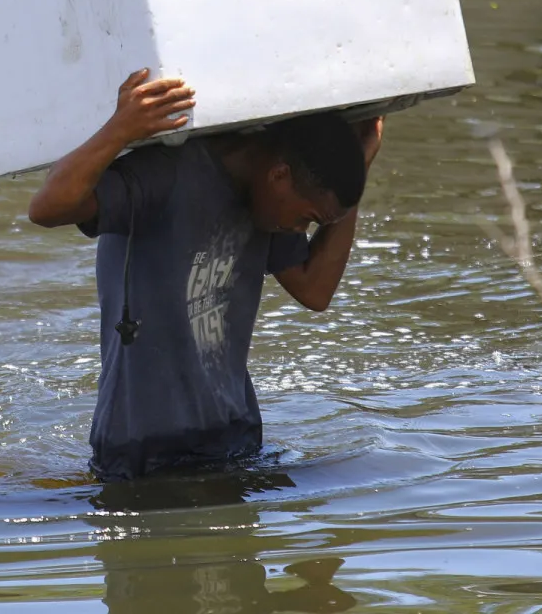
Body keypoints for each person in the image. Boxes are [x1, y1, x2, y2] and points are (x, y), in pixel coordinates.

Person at [28, 69, 382, 481]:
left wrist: (360, 165)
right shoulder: (167, 175)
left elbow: (316, 289)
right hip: (143, 454)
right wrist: (119, 129)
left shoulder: (269, 210)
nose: (300, 229)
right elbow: (46, 208)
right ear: (279, 175)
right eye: (307, 218)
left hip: (236, 440)